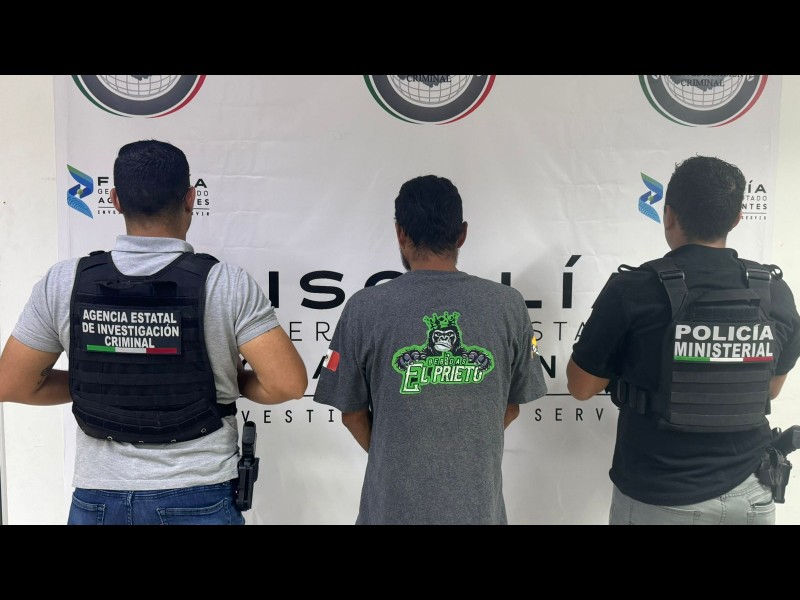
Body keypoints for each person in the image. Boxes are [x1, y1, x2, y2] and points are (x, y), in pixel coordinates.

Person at [0, 139, 308, 525]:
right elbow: (287, 384)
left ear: (114, 199)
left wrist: (106, 382)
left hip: (99, 499)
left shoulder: (64, 282)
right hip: (198, 494)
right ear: (191, 198)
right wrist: (227, 382)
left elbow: (12, 383)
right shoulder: (226, 283)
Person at [566, 155, 800, 525]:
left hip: (661, 497)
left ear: (668, 215)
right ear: (737, 219)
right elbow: (769, 389)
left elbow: (580, 388)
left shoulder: (634, 289)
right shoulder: (774, 291)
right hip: (752, 493)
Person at [313, 174, 548, 525]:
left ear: (400, 233)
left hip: (390, 512)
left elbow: (352, 414)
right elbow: (511, 406)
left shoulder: (364, 308)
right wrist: (463, 454)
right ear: (462, 234)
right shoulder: (508, 305)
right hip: (477, 512)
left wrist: (397, 460)